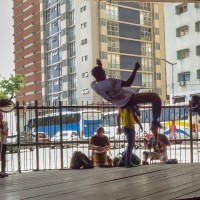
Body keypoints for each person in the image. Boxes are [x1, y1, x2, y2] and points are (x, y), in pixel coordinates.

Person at [91, 59, 162, 129]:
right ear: (101, 74)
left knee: (134, 107)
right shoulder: (110, 82)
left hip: (121, 105)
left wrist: (100, 66)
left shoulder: (94, 86)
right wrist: (135, 69)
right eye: (104, 73)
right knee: (155, 97)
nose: (105, 74)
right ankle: (155, 122)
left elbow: (98, 76)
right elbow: (128, 83)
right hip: (129, 99)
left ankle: (135, 108)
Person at [0, 111, 9, 177]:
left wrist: (3, 131)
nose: (1, 117)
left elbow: (6, 134)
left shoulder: (5, 123)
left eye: (2, 116)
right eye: (0, 116)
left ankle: (3, 171)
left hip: (4, 142)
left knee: (3, 157)